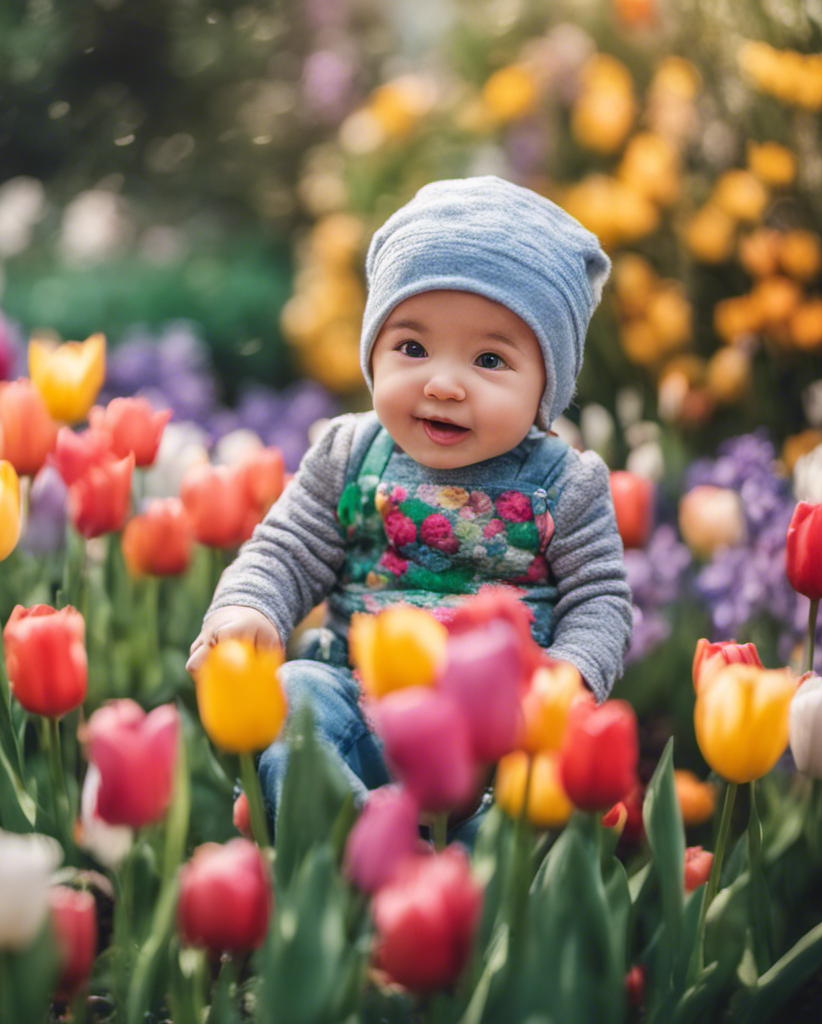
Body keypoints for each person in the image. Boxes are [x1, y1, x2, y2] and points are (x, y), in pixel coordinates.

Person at [186, 176, 633, 837]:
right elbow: (286, 549)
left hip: (495, 734)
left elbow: (600, 600)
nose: (443, 383)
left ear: (548, 386)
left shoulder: (566, 483)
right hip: (359, 706)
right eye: (413, 348)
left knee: (543, 805)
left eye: (489, 359)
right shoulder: (349, 453)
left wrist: (566, 679)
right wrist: (248, 609)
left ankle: (456, 866)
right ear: (373, 352)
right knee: (294, 697)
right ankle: (363, 833)